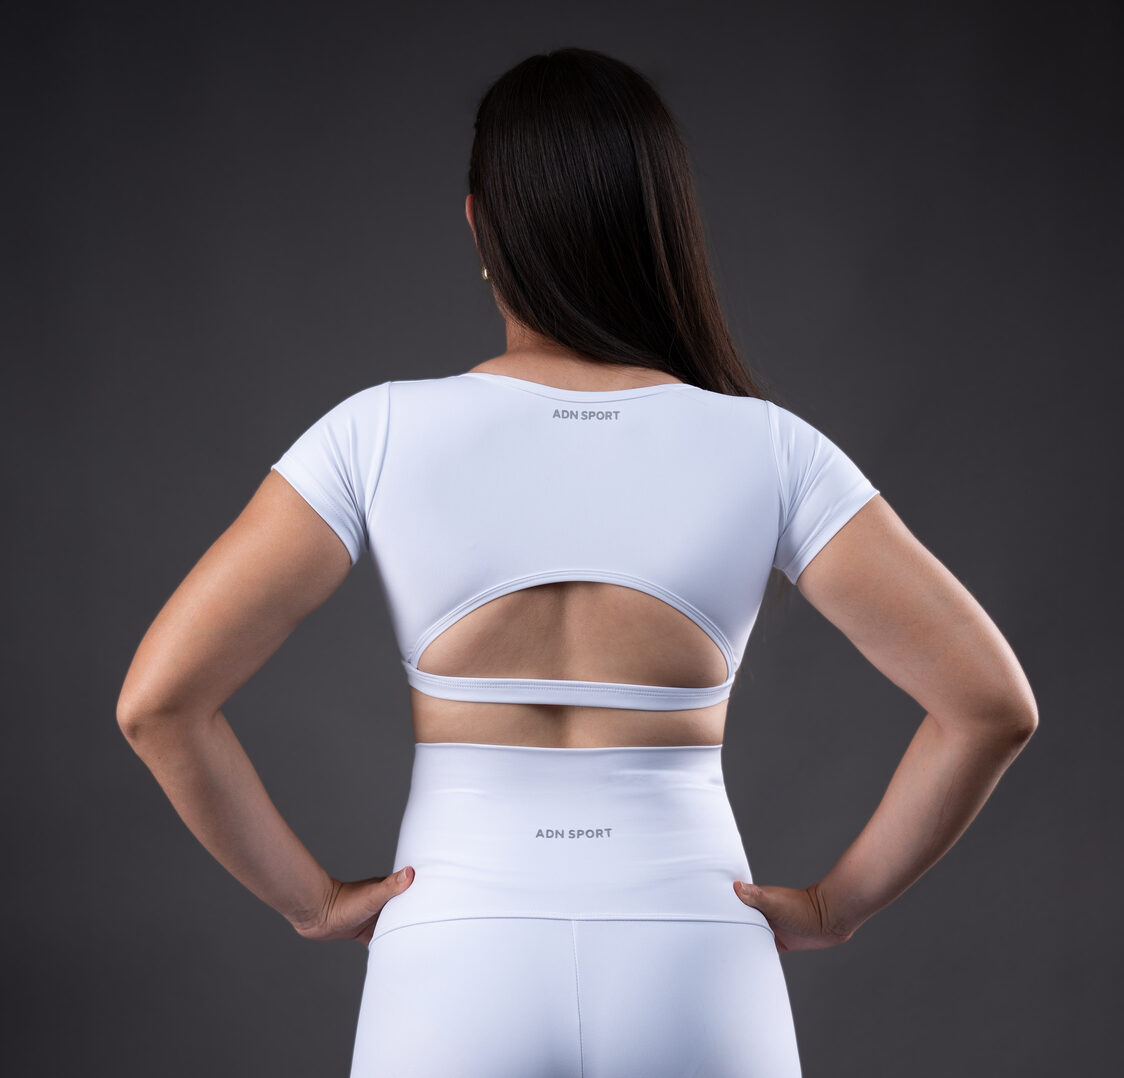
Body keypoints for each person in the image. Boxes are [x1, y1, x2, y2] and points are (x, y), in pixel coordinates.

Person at [116, 47, 1038, 1078]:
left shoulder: (375, 433)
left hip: (452, 961)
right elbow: (989, 706)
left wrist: (314, 902)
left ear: (480, 227)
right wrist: (836, 906)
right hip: (696, 962)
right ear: (658, 226)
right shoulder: (768, 447)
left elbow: (159, 705)